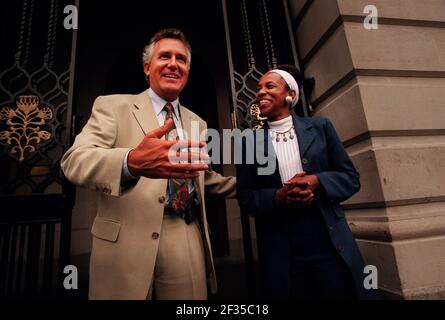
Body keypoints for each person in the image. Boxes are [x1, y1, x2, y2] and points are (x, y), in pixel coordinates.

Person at [61, 28, 236, 300]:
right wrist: (131, 162)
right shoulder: (112, 107)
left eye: (181, 59)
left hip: (185, 234)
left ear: (187, 71)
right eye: (164, 56)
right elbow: (74, 161)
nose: (173, 64)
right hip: (124, 239)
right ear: (147, 67)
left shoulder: (197, 122)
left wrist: (248, 184)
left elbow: (202, 176)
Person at [236, 64, 376, 299]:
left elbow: (350, 178)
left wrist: (317, 181)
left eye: (269, 86)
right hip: (282, 246)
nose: (260, 92)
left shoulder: (321, 127)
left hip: (326, 240)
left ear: (290, 95)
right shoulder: (248, 143)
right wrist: (278, 196)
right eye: (258, 88)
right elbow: (245, 196)